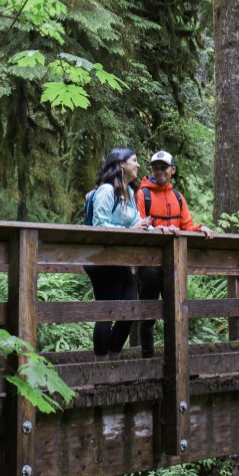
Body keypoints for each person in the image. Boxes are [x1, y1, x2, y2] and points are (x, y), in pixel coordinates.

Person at [134, 150, 214, 358]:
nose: (159, 171)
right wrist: (160, 230)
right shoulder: (143, 194)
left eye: (163, 167)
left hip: (174, 265)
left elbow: (186, 225)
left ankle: (175, 359)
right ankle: (148, 359)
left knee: (177, 312)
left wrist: (200, 228)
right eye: (155, 167)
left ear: (173, 170)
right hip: (149, 265)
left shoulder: (178, 197)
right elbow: (138, 225)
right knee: (148, 314)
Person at [86, 147, 152, 358]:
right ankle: (101, 366)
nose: (138, 165)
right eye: (134, 160)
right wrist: (129, 230)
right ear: (122, 164)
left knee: (130, 310)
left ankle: (112, 362)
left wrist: (150, 227)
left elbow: (134, 222)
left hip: (119, 258)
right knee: (107, 311)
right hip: (101, 258)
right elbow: (99, 225)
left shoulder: (129, 192)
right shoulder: (106, 191)